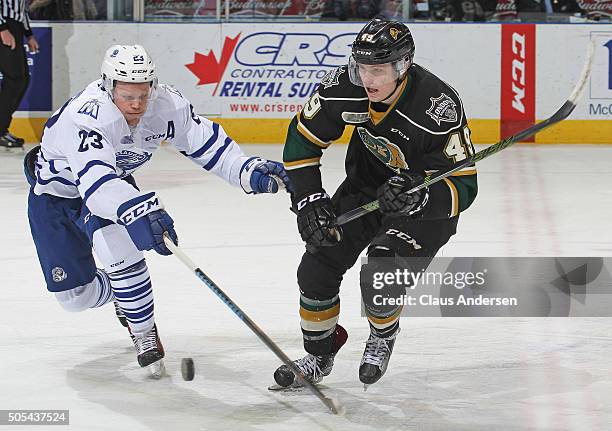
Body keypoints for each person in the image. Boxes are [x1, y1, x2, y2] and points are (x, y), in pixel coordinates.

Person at [23, 45, 291, 376]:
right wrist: (137, 209)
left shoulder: (166, 103)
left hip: (112, 188)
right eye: (126, 94)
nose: (136, 104)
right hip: (57, 196)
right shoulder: (88, 116)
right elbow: (96, 185)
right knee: (75, 298)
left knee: (117, 247)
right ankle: (122, 293)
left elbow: (206, 143)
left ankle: (143, 330)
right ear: (109, 87)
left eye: (143, 93)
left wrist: (247, 170)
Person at [273, 18, 478, 388]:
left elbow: (464, 187)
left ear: (403, 66)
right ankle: (320, 354)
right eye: (363, 67)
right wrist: (308, 199)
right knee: (316, 266)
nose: (368, 79)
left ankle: (383, 334)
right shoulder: (345, 88)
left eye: (379, 70)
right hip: (366, 188)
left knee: (381, 269)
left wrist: (418, 196)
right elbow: (303, 139)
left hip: (424, 206)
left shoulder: (436, 107)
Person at [0, 0, 39, 149]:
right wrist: (2, 28)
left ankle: (2, 128)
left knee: (22, 80)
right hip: (5, 25)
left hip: (14, 27)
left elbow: (22, 9)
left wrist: (28, 35)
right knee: (15, 79)